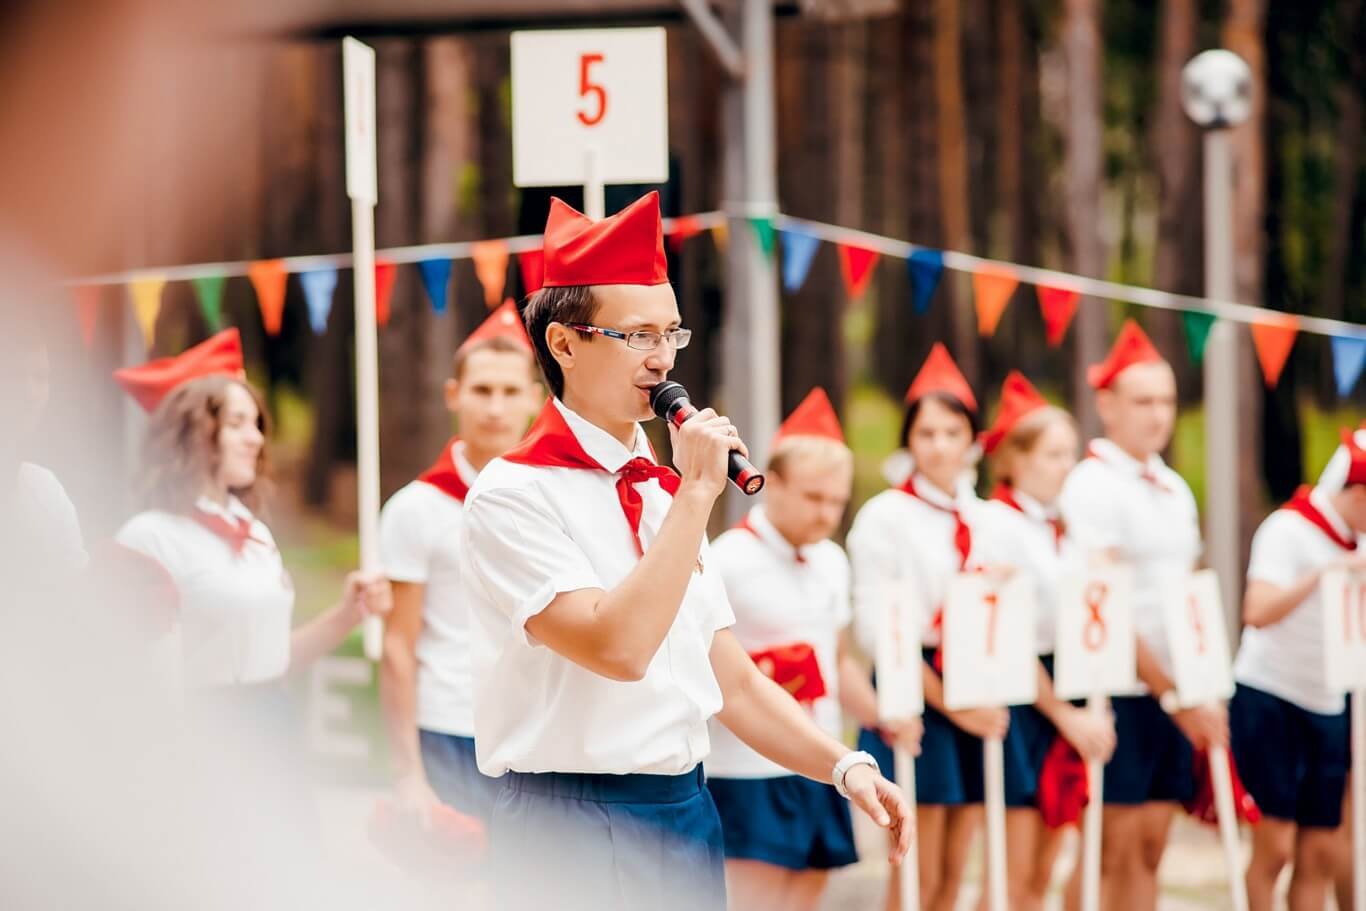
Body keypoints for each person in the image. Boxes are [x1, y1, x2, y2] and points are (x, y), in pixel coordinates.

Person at [458, 192, 911, 911]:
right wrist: (699, 493)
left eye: (671, 332)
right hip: (568, 821)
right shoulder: (512, 493)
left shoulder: (668, 491)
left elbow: (729, 677)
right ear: (565, 343)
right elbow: (618, 648)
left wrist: (844, 763)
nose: (662, 356)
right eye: (636, 335)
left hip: (685, 810)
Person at [705, 387, 922, 911]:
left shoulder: (831, 559)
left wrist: (881, 716)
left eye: (836, 501)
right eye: (812, 497)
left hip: (819, 758)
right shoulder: (727, 559)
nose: (826, 514)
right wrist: (770, 669)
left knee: (807, 899)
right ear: (771, 483)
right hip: (743, 768)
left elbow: (837, 659)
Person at [113, 328, 392, 693]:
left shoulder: (255, 533)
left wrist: (347, 615)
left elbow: (274, 663)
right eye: (236, 423)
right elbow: (133, 677)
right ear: (192, 432)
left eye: (256, 424)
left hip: (271, 727)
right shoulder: (149, 537)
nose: (257, 438)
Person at [1058, 319, 1224, 911]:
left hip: (1174, 690)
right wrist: (1173, 694)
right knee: (1108, 844)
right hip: (1118, 686)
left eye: (1167, 401)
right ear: (1107, 405)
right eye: (1143, 401)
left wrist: (1196, 687)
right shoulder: (1091, 486)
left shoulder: (1175, 489)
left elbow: (1184, 596)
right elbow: (1103, 605)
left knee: (1153, 843)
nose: (1158, 415)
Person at [848, 343, 1004, 911]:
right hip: (916, 685)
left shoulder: (989, 520)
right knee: (914, 867)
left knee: (954, 872)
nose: (940, 446)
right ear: (909, 441)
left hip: (977, 681)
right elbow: (878, 628)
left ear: (973, 441)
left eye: (952, 432)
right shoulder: (885, 518)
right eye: (927, 433)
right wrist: (949, 702)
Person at [379, 301, 541, 825]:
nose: (495, 407)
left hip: (539, 730)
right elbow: (398, 646)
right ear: (454, 395)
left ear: (536, 399)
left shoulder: (553, 498)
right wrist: (408, 775)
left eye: (511, 391)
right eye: (481, 390)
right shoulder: (415, 508)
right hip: (450, 729)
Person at [974, 371, 1117, 911]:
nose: (1067, 467)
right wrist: (1064, 713)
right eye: (1055, 454)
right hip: (1024, 697)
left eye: (1070, 454)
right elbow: (1007, 634)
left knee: (1042, 873)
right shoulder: (996, 524)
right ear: (1016, 458)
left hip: (1069, 687)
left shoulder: (1069, 527)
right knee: (1010, 873)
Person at [1232, 425, 1366, 911]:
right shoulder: (1288, 529)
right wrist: (1321, 578)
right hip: (1271, 694)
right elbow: (1256, 612)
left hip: (1328, 700)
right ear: (1354, 493)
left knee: (1321, 851)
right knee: (1275, 848)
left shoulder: (1360, 539)